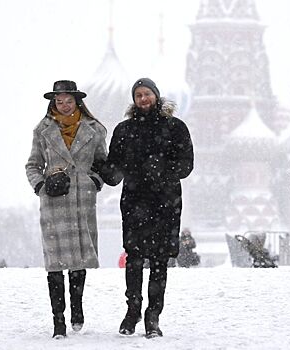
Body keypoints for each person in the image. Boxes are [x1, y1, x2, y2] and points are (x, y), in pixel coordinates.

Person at [95, 78, 194, 338]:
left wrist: (163, 168)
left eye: (147, 93)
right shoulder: (124, 130)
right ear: (134, 99)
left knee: (160, 262)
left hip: (165, 202)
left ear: (156, 96)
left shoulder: (174, 128)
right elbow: (114, 170)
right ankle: (133, 310)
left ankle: (153, 315)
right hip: (135, 202)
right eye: (138, 95)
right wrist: (100, 168)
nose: (143, 99)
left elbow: (186, 165)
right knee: (134, 259)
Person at [25, 80, 108, 338]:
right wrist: (41, 186)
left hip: (82, 198)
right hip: (54, 199)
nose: (63, 105)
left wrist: (95, 181)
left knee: (79, 258)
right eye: (58, 101)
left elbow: (102, 163)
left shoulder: (94, 130)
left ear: (77, 101)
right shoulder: (43, 130)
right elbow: (32, 164)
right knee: (55, 262)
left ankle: (77, 308)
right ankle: (58, 320)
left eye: (67, 100)